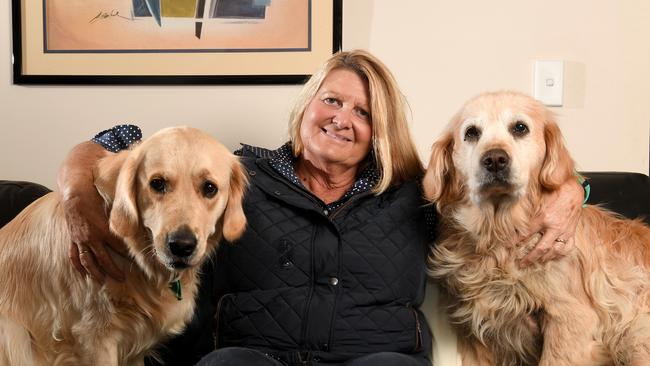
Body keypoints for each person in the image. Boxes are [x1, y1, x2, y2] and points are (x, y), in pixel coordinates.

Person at [58, 50, 584, 365]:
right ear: (306, 106)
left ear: (380, 131)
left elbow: (501, 187)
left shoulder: (414, 195)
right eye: (330, 100)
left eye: (363, 111)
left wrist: (572, 191)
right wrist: (77, 196)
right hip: (252, 354)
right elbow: (114, 141)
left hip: (378, 359)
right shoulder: (235, 174)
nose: (341, 118)